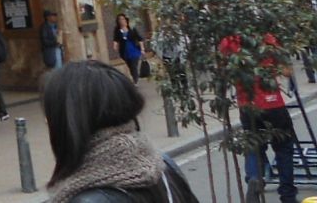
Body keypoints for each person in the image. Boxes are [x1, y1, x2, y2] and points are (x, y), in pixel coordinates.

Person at [42, 60, 198, 203]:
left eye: (51, 116)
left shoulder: (88, 199)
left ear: (72, 124)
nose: (47, 122)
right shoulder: (162, 165)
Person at [218, 33, 297, 203]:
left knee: (253, 146)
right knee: (284, 148)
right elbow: (287, 71)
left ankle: (254, 177)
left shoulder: (228, 41)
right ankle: (288, 195)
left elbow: (223, 71)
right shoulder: (268, 38)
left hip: (247, 105)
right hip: (273, 103)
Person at [111, 14, 146, 84]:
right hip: (125, 52)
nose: (121, 21)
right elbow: (115, 39)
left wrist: (142, 49)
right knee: (130, 66)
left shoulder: (131, 28)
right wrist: (115, 45)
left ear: (126, 19)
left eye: (123, 19)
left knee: (133, 65)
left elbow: (139, 39)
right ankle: (135, 77)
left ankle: (135, 81)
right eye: (120, 19)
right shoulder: (117, 30)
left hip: (134, 50)